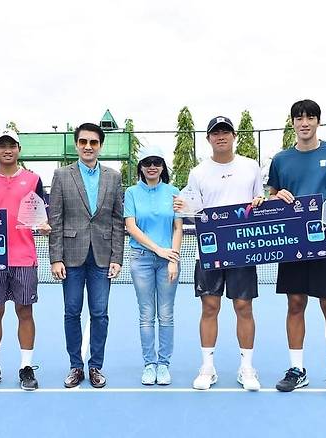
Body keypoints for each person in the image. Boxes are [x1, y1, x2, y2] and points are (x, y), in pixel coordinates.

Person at [266, 99, 326, 402]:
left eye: (310, 117)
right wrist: (277, 195)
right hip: (293, 244)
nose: (304, 122)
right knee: (295, 304)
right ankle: (296, 370)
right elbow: (272, 196)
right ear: (292, 122)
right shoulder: (280, 159)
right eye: (299, 118)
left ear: (318, 121)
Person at [173, 116, 264, 391]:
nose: (220, 136)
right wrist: (182, 205)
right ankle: (207, 368)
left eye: (225, 131)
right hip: (210, 251)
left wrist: (260, 202)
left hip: (243, 250)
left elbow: (259, 201)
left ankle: (247, 368)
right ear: (209, 138)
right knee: (210, 307)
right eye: (215, 132)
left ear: (233, 135)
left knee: (243, 307)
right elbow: (194, 210)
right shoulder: (198, 172)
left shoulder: (251, 167)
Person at [0, 127, 51, 391]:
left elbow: (40, 214)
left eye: (12, 145)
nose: (7, 149)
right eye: (1, 145)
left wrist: (43, 225)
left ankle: (26, 367)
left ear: (18, 149)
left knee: (25, 311)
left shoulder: (34, 179)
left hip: (24, 257)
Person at [48, 122, 124, 388]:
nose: (88, 146)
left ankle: (95, 367)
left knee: (100, 313)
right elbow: (55, 219)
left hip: (103, 258)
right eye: (83, 142)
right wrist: (55, 258)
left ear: (100, 145)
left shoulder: (114, 177)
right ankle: (75, 366)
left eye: (93, 142)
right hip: (70, 257)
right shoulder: (61, 176)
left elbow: (117, 221)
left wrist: (117, 257)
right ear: (77, 144)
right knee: (71, 312)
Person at [124, 145, 183, 385]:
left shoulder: (173, 191)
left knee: (166, 315)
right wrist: (158, 249)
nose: (152, 166)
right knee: (147, 315)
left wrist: (173, 258)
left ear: (162, 166)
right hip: (141, 260)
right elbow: (131, 226)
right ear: (141, 167)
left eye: (156, 162)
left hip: (169, 261)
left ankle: (164, 365)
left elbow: (178, 228)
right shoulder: (131, 193)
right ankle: (149, 364)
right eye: (147, 162)